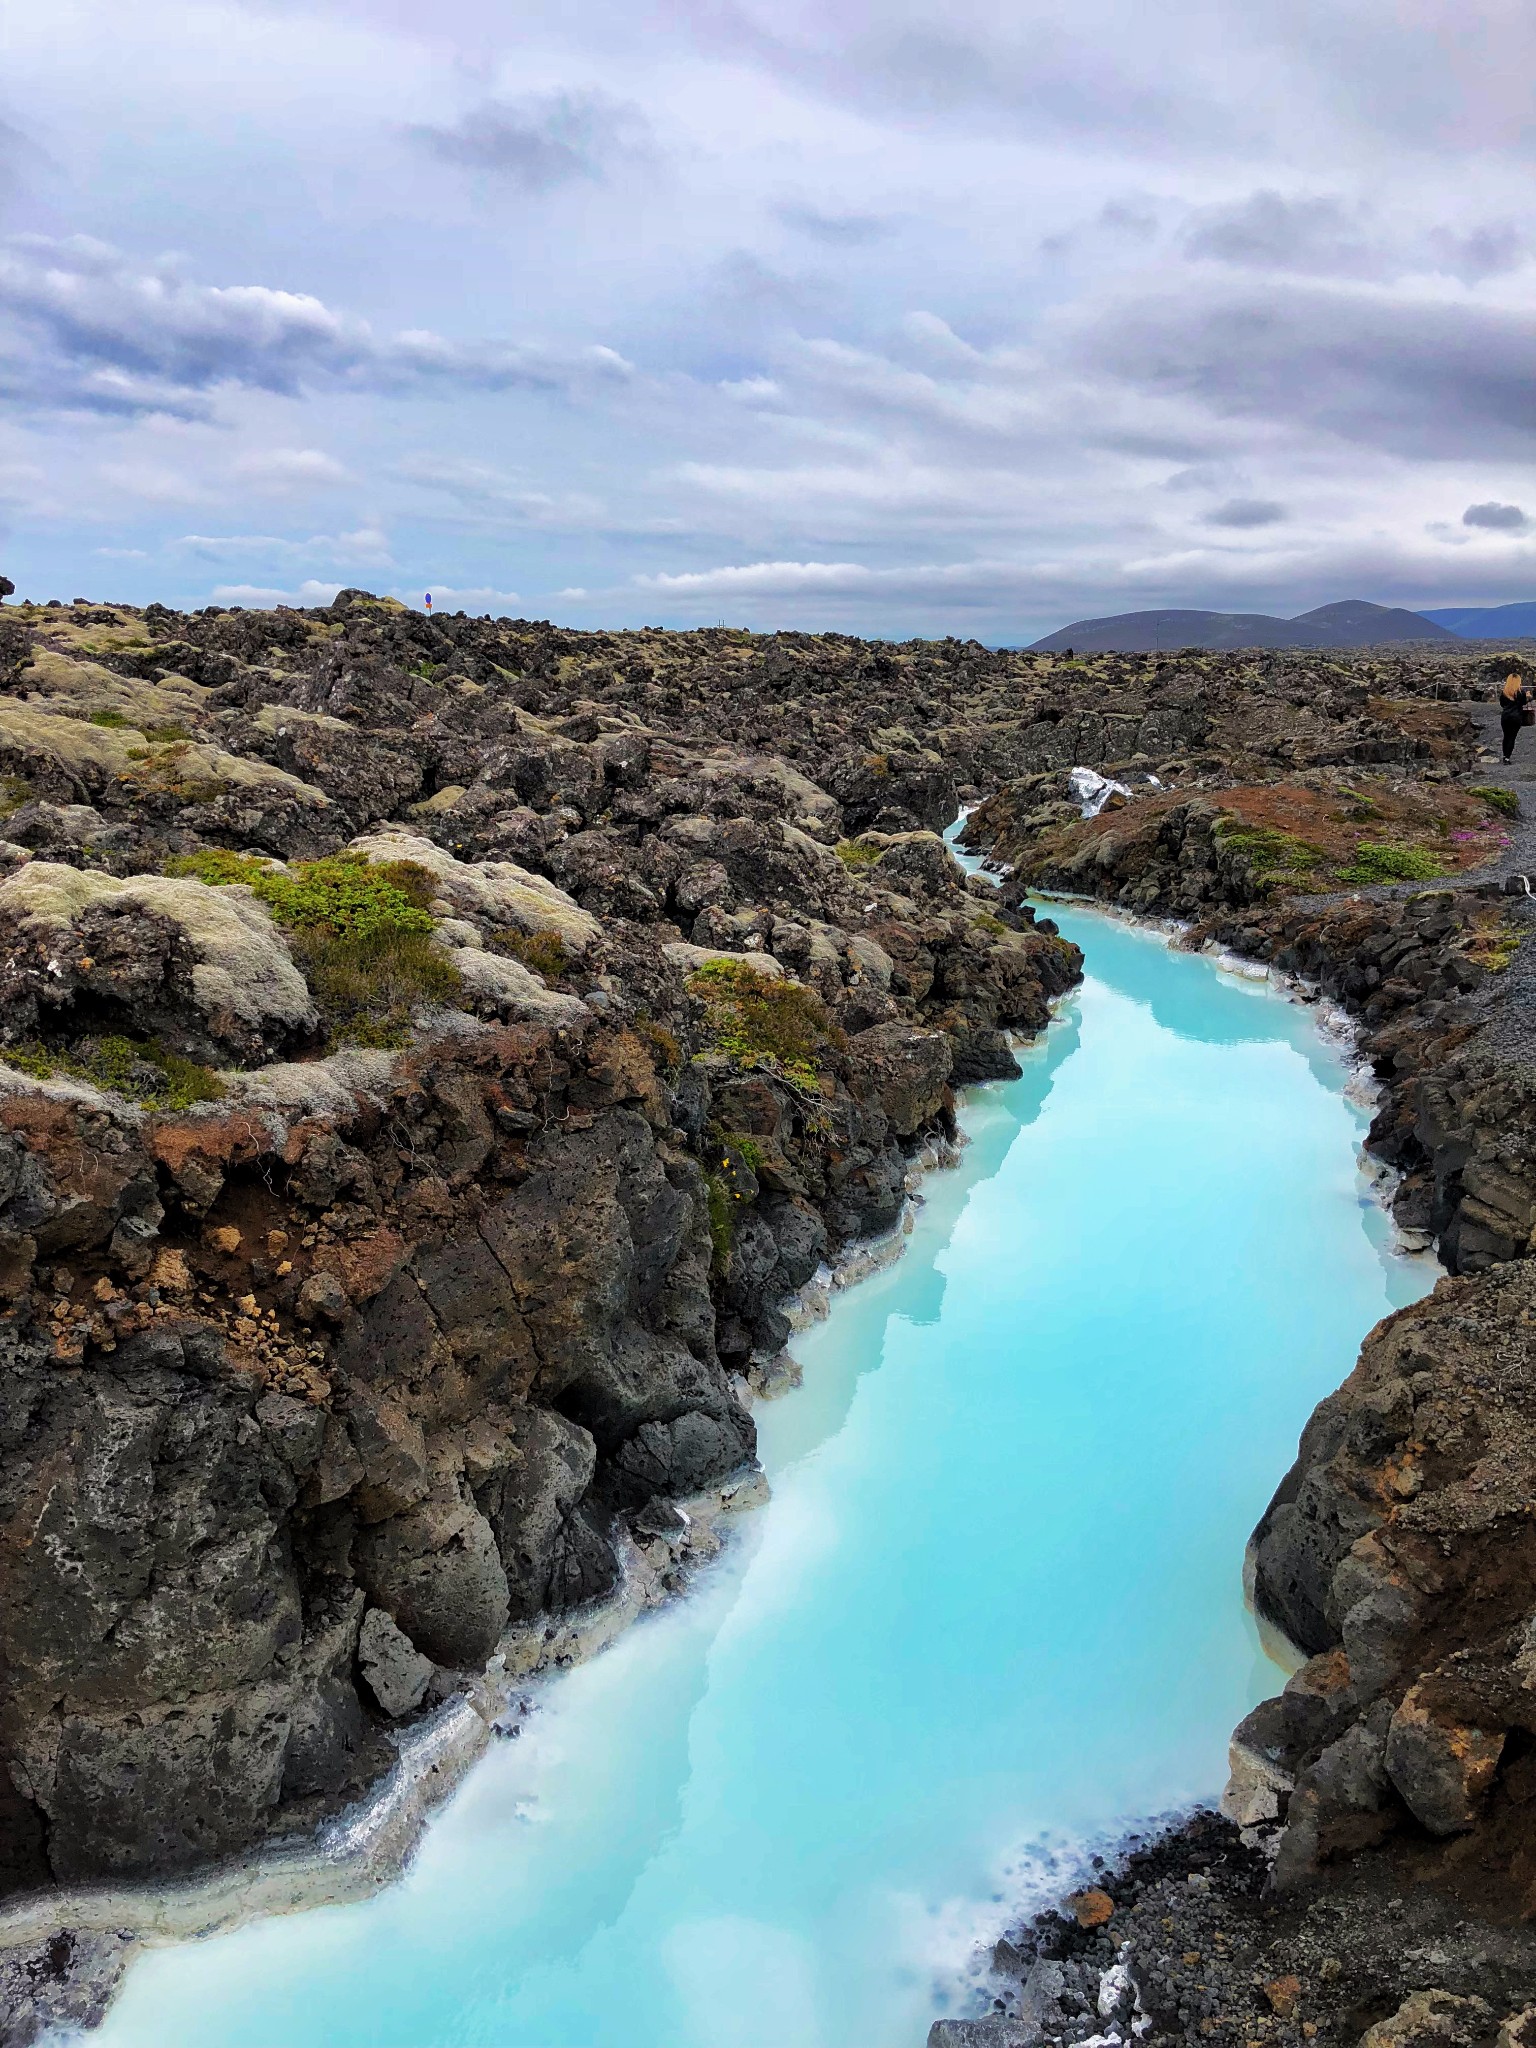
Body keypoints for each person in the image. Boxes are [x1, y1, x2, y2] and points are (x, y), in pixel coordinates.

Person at [1498, 667, 1533, 762]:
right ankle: (1507, 757)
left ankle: (1505, 755)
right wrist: (1529, 697)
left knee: (1506, 736)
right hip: (1516, 717)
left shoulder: (1504, 693)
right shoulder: (1520, 693)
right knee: (1512, 737)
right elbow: (1524, 702)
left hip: (1505, 717)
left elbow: (1502, 704)